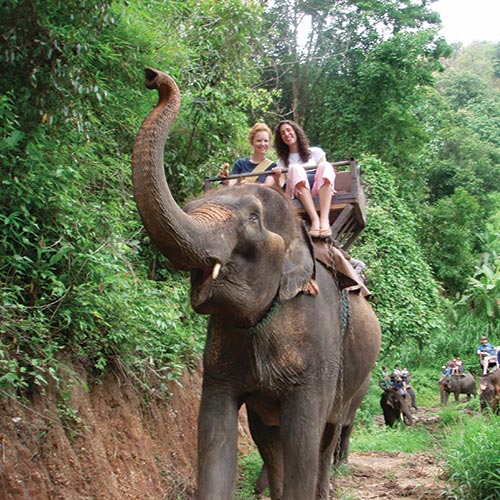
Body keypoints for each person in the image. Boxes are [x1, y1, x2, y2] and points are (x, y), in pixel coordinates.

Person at [265, 120, 336, 239]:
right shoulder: (282, 161)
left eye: (288, 130)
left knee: (325, 166)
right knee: (295, 168)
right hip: (298, 192)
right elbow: (281, 185)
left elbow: (325, 174)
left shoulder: (315, 152)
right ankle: (315, 220)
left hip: (318, 188)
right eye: (282, 133)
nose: (286, 134)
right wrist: (277, 178)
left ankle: (324, 220)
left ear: (296, 131)